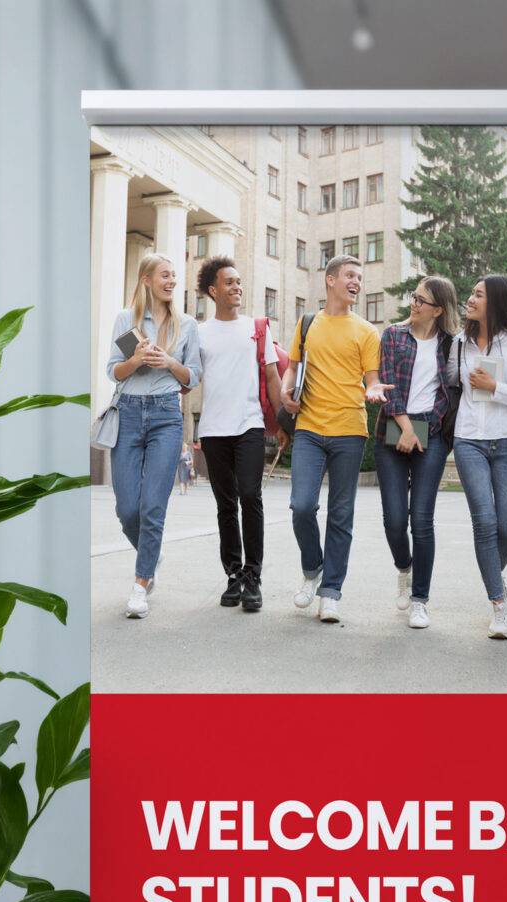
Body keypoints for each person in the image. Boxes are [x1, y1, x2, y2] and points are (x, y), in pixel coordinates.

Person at [283, 254, 385, 624]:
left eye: (360, 277)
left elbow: (371, 377)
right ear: (330, 280)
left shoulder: (366, 331)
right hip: (309, 427)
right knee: (302, 506)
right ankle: (314, 569)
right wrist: (284, 392)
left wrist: (373, 390)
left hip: (349, 430)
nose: (356, 282)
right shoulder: (308, 323)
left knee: (341, 514)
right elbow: (292, 367)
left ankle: (331, 592)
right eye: (350, 276)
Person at [105, 253, 197, 619]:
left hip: (165, 415)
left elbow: (192, 379)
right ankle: (152, 553)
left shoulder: (185, 324)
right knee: (127, 510)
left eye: (174, 276)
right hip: (128, 413)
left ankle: (141, 584)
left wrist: (170, 363)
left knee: (152, 508)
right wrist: (138, 359)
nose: (171, 281)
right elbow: (116, 372)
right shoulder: (128, 321)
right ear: (146, 279)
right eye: (164, 275)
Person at [190, 254, 282, 613]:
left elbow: (272, 378)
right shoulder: (199, 333)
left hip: (249, 424)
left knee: (250, 495)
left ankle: (253, 577)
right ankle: (233, 575)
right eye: (230, 282)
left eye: (239, 281)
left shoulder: (256, 327)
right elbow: (190, 377)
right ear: (213, 290)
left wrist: (283, 423)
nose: (237, 286)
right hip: (213, 429)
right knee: (225, 505)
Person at [448, 273, 507, 640]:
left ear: (496, 302)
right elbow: (446, 382)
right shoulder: (458, 343)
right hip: (469, 439)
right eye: (471, 293)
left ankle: (492, 572)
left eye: (478, 294)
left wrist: (495, 387)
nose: (470, 299)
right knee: (484, 523)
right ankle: (499, 603)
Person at [374, 275, 463, 631]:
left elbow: (452, 391)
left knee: (421, 519)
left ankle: (420, 600)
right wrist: (406, 428)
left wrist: (427, 426)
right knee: (395, 519)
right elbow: (388, 382)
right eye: (414, 297)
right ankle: (403, 568)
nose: (414, 304)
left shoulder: (451, 344)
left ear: (439, 310)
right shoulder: (393, 335)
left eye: (422, 301)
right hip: (394, 427)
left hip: (433, 434)